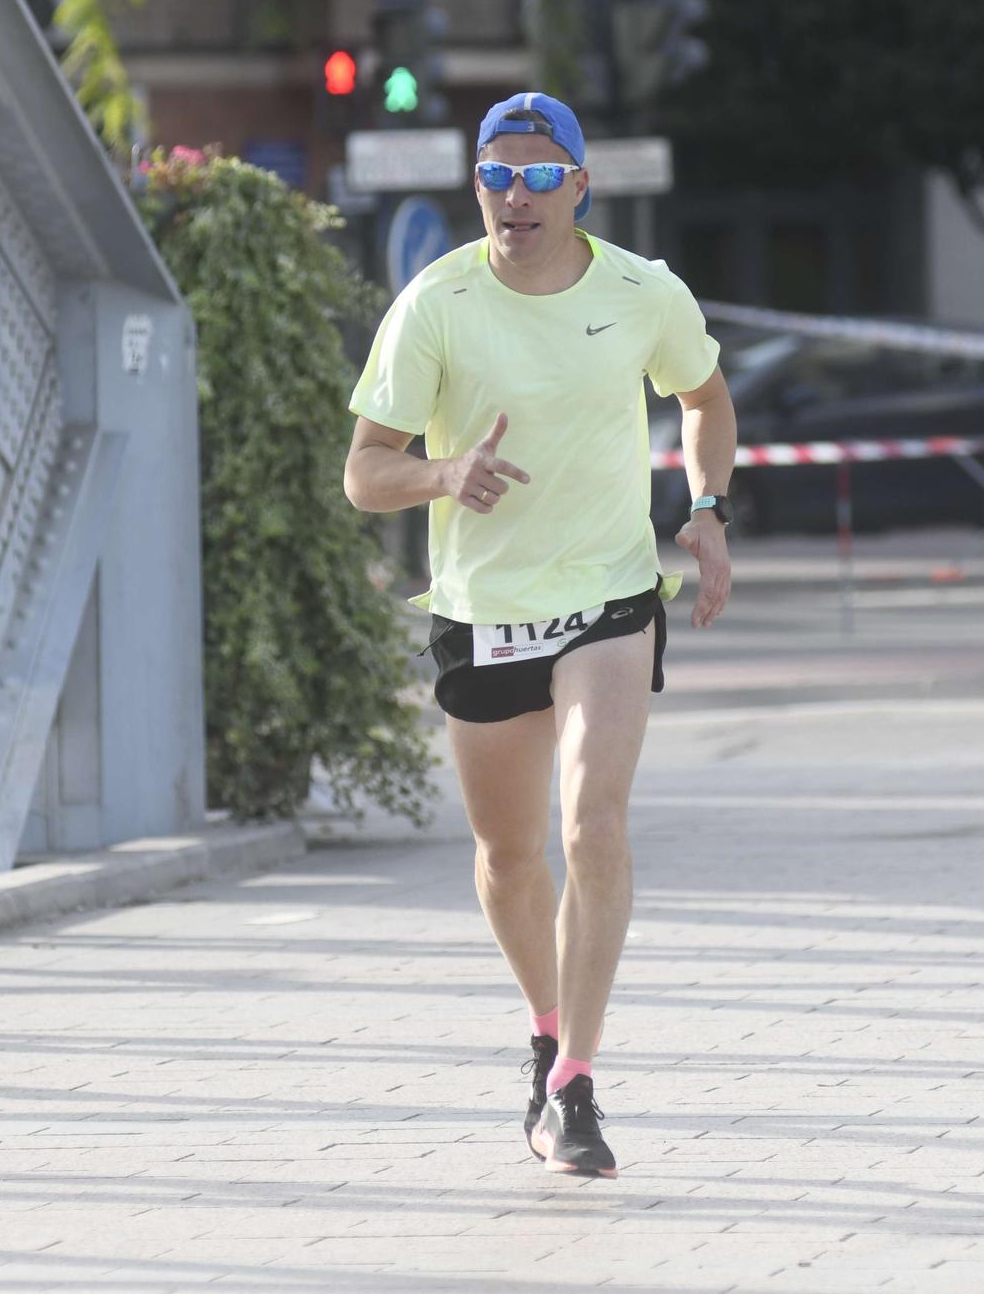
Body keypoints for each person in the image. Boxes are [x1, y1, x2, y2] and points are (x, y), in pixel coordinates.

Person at [343, 92, 736, 1178]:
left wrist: (705, 510)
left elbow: (704, 398)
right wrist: (442, 471)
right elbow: (363, 469)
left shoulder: (640, 291)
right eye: (495, 176)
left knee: (589, 827)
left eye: (535, 175)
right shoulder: (435, 303)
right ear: (476, 187)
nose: (514, 197)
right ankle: (543, 1027)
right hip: (481, 609)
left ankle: (574, 1082)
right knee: (509, 857)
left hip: (610, 595)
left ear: (577, 185)